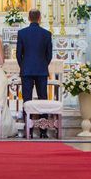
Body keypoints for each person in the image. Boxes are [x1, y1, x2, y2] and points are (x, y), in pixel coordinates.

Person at [16, 9, 52, 138]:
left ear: (29, 18)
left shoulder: (22, 33)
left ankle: (28, 129)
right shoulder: (47, 34)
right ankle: (43, 130)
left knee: (27, 99)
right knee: (43, 99)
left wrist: (24, 66)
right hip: (41, 70)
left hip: (26, 70)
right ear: (39, 18)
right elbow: (49, 55)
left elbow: (18, 54)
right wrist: (43, 64)